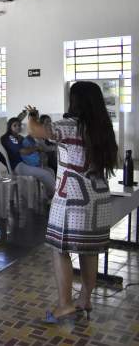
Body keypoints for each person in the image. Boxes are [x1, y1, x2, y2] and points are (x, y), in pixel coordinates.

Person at [26, 82, 118, 323]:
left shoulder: (69, 126)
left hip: (71, 201)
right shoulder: (104, 129)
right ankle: (85, 299)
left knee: (61, 249)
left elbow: (36, 131)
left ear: (76, 101)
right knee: (90, 251)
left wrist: (31, 115)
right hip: (98, 199)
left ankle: (65, 304)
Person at [0, 118, 55, 200]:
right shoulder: (9, 138)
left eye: (19, 125)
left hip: (25, 163)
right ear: (9, 127)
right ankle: (58, 197)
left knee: (50, 171)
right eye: (15, 125)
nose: (18, 127)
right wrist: (36, 148)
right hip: (18, 166)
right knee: (46, 174)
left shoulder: (18, 137)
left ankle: (49, 195)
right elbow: (23, 151)